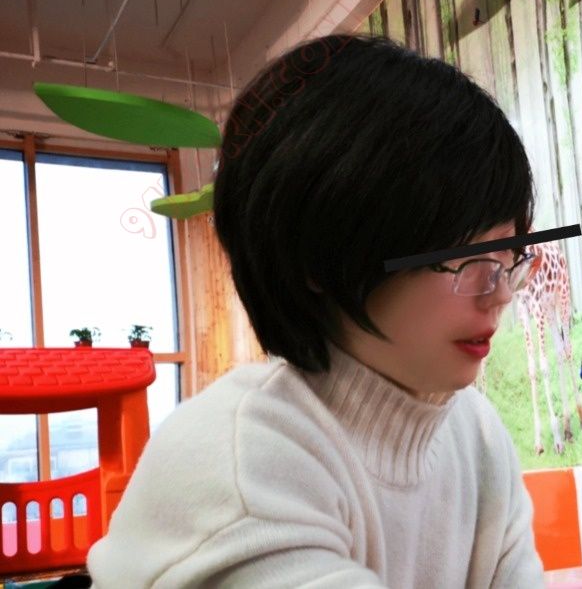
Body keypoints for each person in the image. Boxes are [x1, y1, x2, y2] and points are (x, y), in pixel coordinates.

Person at [87, 34, 545, 588]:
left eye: (509, 261)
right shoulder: (242, 464)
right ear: (323, 258)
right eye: (471, 262)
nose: (500, 294)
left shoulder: (477, 437)